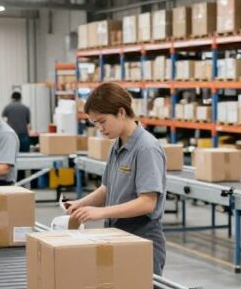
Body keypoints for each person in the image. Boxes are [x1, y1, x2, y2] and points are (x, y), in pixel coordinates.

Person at [66, 83, 167, 275]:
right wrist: (79, 204)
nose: (100, 129)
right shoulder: (118, 144)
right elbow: (107, 188)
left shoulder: (146, 148)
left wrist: (100, 213)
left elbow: (147, 203)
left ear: (121, 112)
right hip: (117, 234)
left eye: (102, 121)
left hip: (141, 238)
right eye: (95, 123)